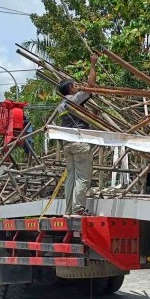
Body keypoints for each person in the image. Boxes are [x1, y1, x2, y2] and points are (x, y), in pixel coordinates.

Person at [57, 53, 97, 216]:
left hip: (68, 145)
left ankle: (69, 210)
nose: (78, 86)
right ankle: (78, 209)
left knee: (71, 178)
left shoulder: (61, 106)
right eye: (75, 85)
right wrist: (93, 64)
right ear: (70, 89)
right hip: (80, 143)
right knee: (82, 178)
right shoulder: (75, 99)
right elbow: (91, 85)